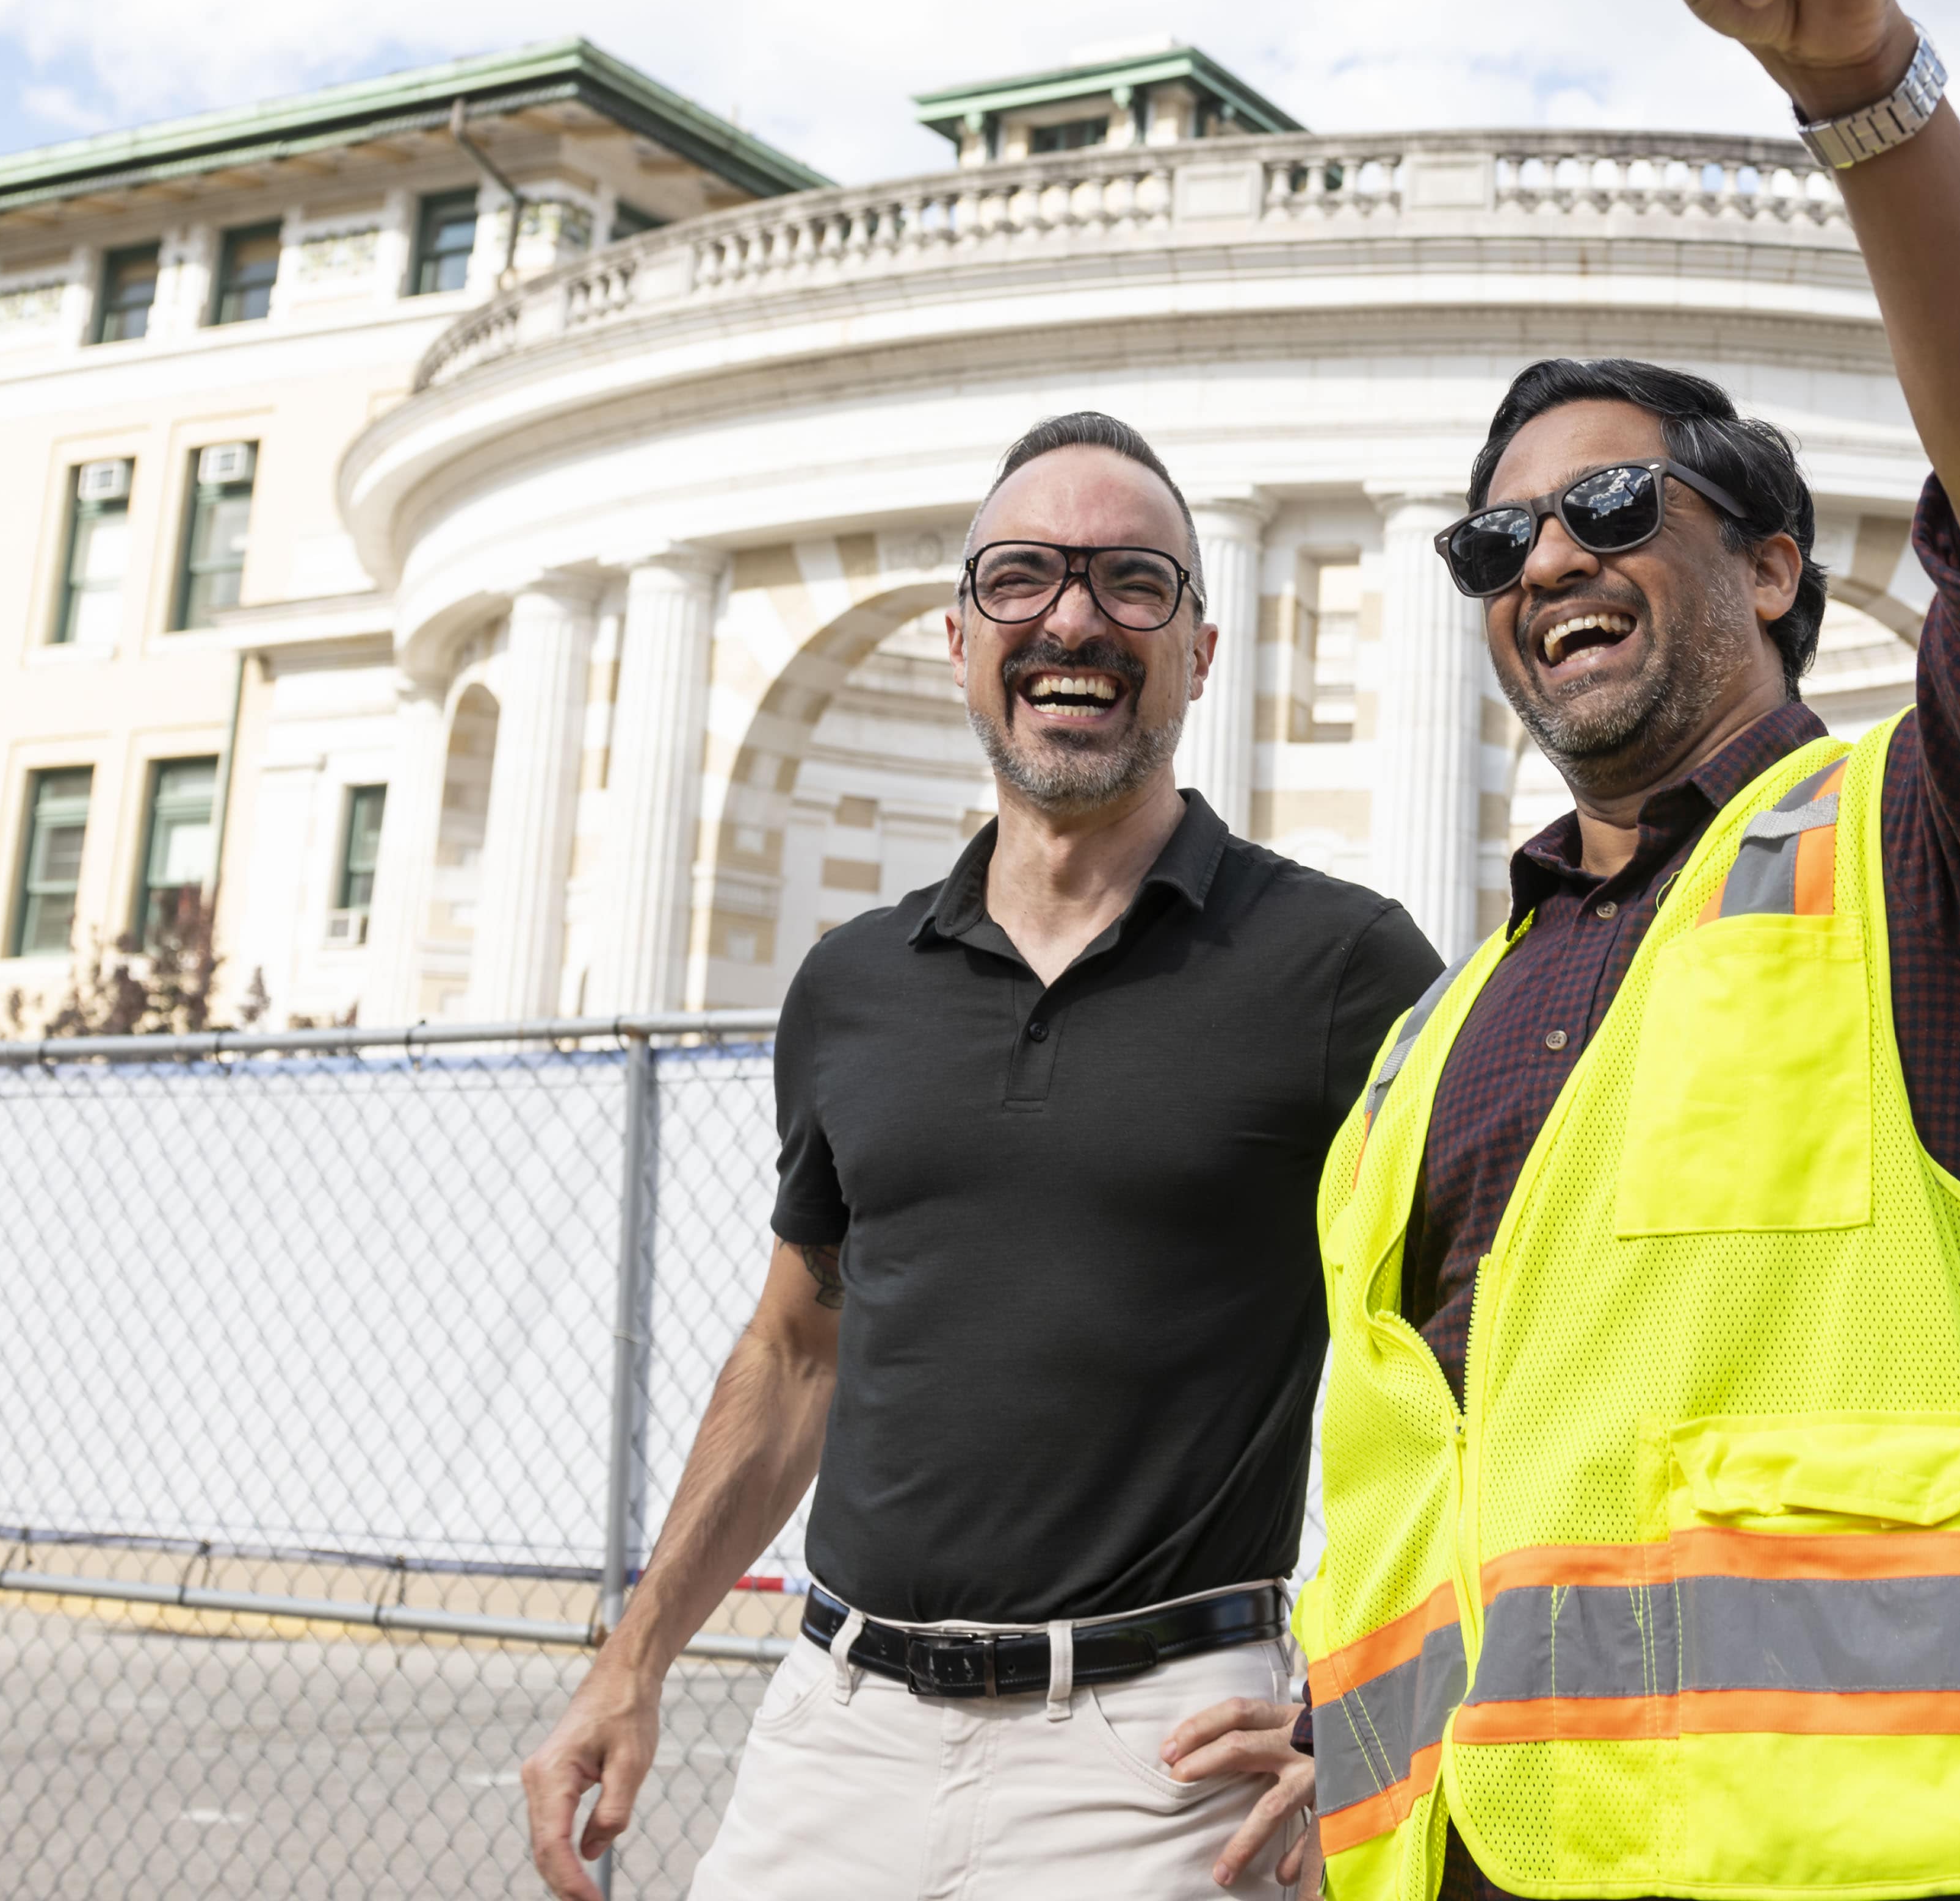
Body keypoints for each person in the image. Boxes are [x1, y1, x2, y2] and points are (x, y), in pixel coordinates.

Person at [1170, 0, 1960, 1900]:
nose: (1545, 548)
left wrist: (1855, 82)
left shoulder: (1930, 860)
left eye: (1615, 503)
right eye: (1496, 533)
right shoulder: (1453, 1023)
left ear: (1775, 572)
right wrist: (1364, 1713)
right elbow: (1470, 1458)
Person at [521, 411, 1443, 1900]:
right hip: (833, 1734)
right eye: (1022, 577)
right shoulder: (852, 984)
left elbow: (1475, 1361)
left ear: (1200, 651)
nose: (1074, 615)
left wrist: (1386, 1702)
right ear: (959, 640)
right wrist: (631, 1661)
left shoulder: (1342, 966)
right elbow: (796, 1352)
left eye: (1133, 582)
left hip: (1159, 1763)